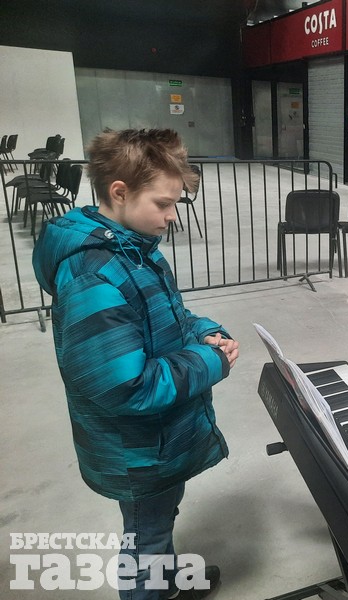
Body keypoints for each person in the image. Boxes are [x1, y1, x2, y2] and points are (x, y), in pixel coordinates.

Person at [32, 128, 239, 600]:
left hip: (157, 443)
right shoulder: (97, 275)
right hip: (138, 450)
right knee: (145, 538)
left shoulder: (135, 249)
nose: (171, 216)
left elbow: (169, 317)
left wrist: (203, 330)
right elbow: (127, 387)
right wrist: (210, 362)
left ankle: (170, 579)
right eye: (163, 203)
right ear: (120, 193)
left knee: (158, 523)